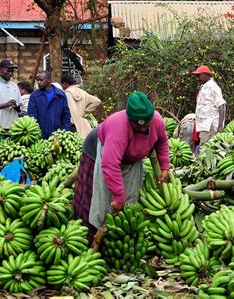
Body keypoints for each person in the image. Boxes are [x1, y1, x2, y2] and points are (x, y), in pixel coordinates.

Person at [72, 91, 170, 244]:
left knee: (130, 199)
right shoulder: (118, 127)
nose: (143, 130)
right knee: (99, 198)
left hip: (131, 158)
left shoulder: (157, 121)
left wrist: (164, 167)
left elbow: (162, 143)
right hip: (99, 150)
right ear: (130, 120)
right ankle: (91, 238)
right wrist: (118, 197)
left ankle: (117, 238)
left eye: (146, 126)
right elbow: (110, 165)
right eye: (138, 127)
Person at [28, 71, 71, 139]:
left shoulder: (60, 95)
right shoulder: (34, 96)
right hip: (40, 135)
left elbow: (66, 115)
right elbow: (32, 116)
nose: (38, 82)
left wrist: (66, 132)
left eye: (41, 80)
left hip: (57, 135)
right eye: (38, 80)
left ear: (49, 80)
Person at [191, 65, 226, 146]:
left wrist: (220, 126)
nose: (197, 78)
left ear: (206, 75)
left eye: (199, 75)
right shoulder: (204, 86)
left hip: (210, 126)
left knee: (207, 150)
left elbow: (221, 105)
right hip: (204, 126)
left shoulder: (213, 87)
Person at [61, 73, 102, 138]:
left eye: (62, 84)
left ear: (65, 83)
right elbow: (97, 101)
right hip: (84, 126)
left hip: (74, 127)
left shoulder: (67, 94)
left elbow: (72, 111)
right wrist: (84, 112)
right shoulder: (82, 92)